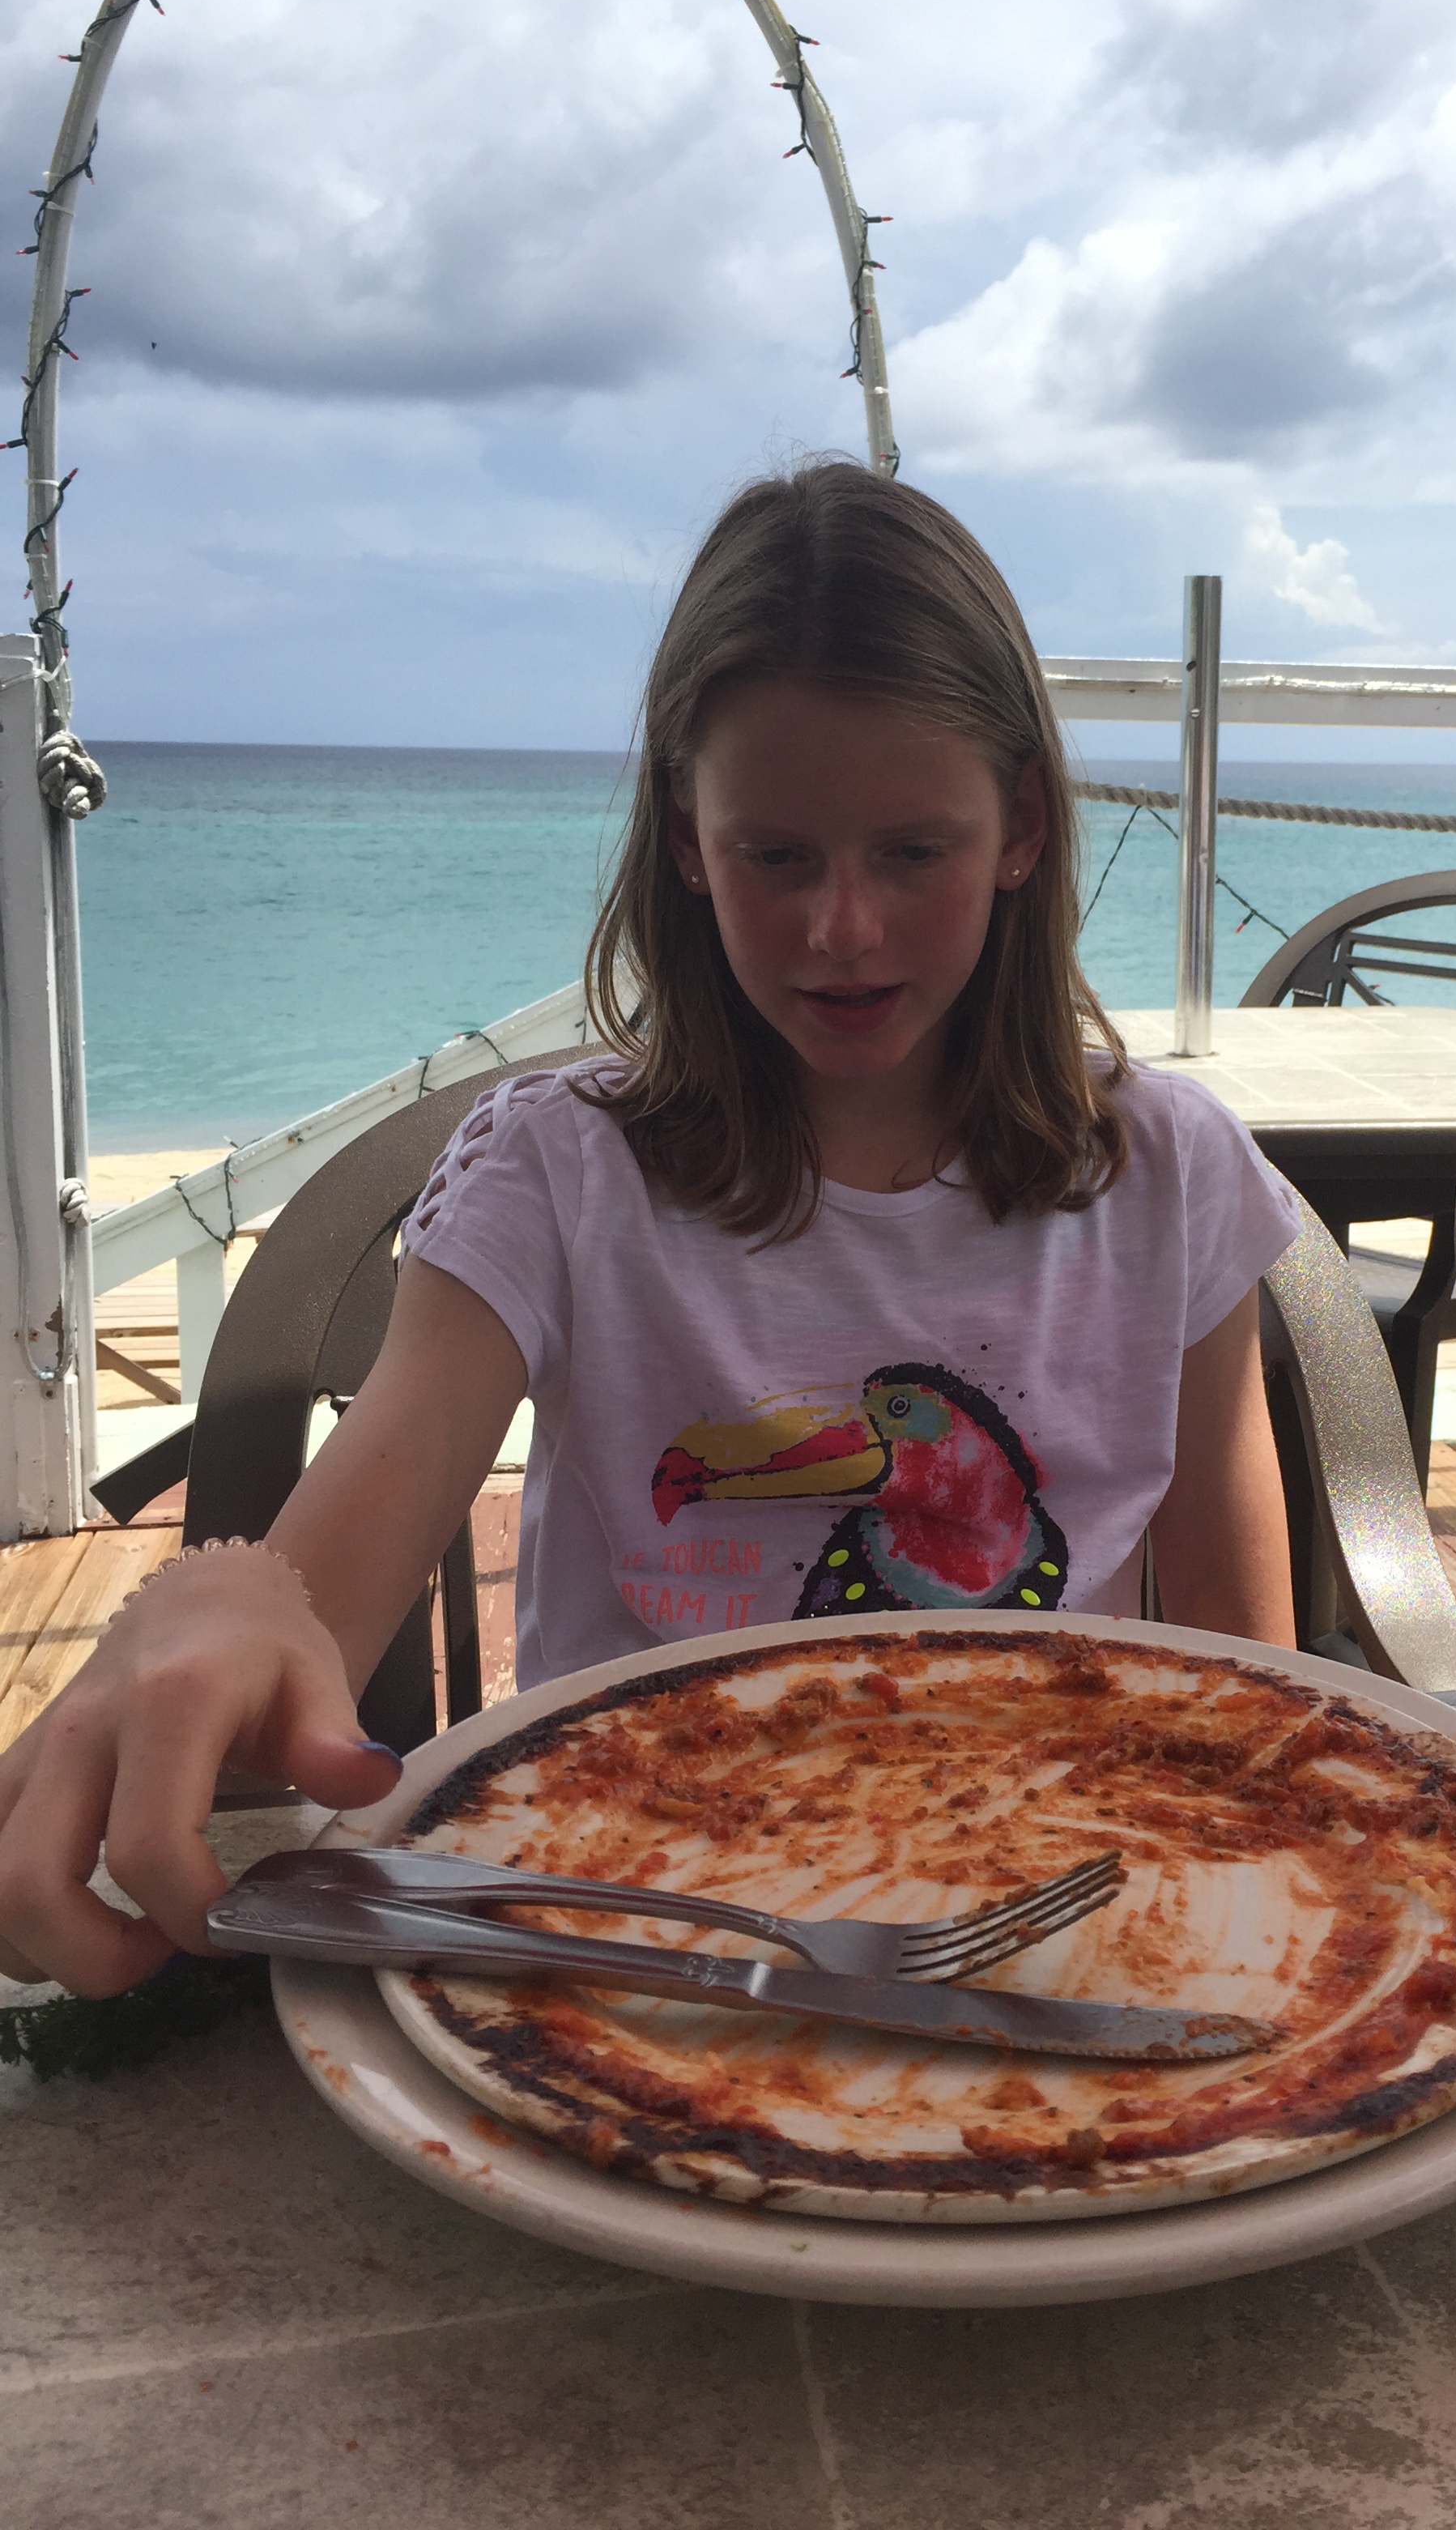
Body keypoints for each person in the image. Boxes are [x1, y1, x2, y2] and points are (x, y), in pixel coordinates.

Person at [0, 459, 1302, 2000]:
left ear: (1020, 827)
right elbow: (335, 1558)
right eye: (776, 854)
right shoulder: (556, 1177)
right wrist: (220, 1609)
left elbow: (1253, 1681)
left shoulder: (1171, 1175)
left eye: (912, 851)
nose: (842, 928)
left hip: (1053, 1930)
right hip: (643, 1943)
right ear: (687, 836)